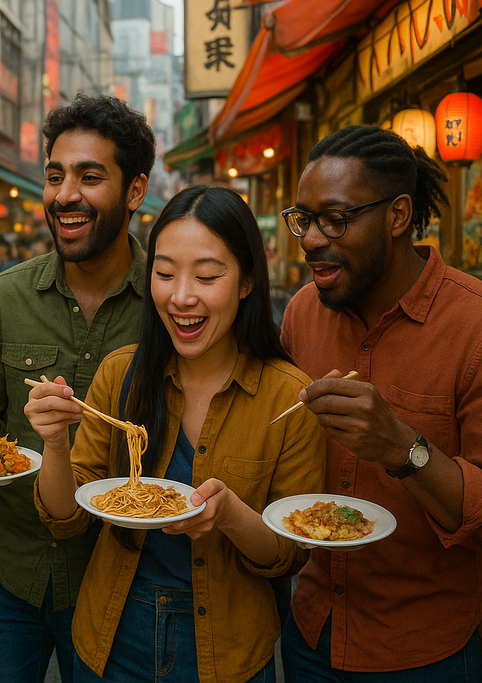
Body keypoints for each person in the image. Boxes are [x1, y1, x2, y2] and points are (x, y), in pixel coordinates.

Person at [25, 186, 326, 682]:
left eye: (207, 276)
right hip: (112, 634)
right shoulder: (121, 374)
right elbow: (66, 518)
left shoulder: (288, 398)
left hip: (227, 650)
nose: (181, 296)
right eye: (164, 274)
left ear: (248, 281)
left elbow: (288, 554)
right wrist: (54, 442)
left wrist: (229, 515)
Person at [0, 93, 155, 683]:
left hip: (118, 582)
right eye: (56, 175)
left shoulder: (168, 306)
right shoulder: (5, 297)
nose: (66, 195)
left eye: (91, 177)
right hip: (8, 572)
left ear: (135, 191)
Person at [279, 124, 482, 680]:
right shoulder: (301, 312)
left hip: (428, 649)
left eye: (336, 219)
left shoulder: (473, 326)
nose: (312, 239)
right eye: (303, 219)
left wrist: (401, 448)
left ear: (396, 215)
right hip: (311, 632)